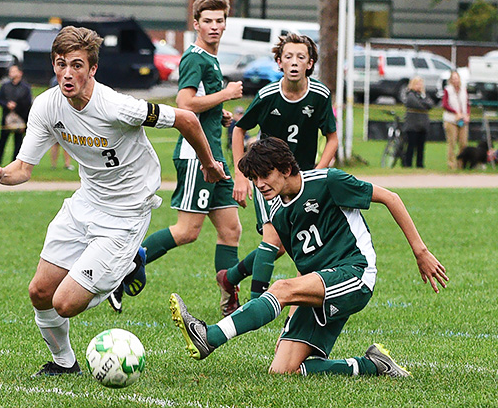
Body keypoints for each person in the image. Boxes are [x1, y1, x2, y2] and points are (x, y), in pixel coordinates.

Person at [0, 25, 227, 377]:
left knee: (64, 303)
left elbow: (185, 118)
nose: (68, 73)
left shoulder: (116, 105)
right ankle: (65, 364)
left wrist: (208, 164)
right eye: (61, 63)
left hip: (126, 213)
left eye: (77, 65)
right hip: (86, 202)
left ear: (92, 69)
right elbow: (22, 168)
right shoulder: (47, 107)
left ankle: (125, 266)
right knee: (40, 292)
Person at [170, 137, 448, 378]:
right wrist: (290, 311)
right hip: (320, 286)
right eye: (254, 178)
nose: (260, 184)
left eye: (265, 175)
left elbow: (391, 198)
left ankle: (210, 337)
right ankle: (371, 365)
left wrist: (420, 252)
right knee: (282, 371)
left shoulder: (328, 181)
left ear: (287, 169)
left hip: (355, 272)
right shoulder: (278, 211)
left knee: (280, 287)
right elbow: (294, 263)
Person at [127, 0, 243, 315]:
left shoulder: (211, 58)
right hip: (197, 156)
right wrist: (227, 93)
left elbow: (200, 104)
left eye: (219, 21)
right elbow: (184, 104)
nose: (215, 27)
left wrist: (219, 112)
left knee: (231, 229)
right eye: (208, 21)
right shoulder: (195, 58)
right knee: (187, 231)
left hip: (214, 153)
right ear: (196, 24)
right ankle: (128, 262)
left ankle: (229, 299)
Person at [218, 33, 338, 315]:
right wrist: (239, 174)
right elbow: (238, 129)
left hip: (300, 180)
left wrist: (317, 174)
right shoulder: (267, 95)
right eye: (288, 57)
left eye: (300, 57)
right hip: (267, 178)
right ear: (278, 62)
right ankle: (256, 305)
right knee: (272, 239)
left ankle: (229, 278)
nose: (294, 62)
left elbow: (332, 138)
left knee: (283, 245)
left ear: (310, 63)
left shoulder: (320, 95)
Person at [0, 64, 32, 166]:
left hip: (20, 119)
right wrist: (7, 104)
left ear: (20, 73)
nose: (11, 73)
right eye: (11, 71)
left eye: (14, 71)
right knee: (2, 142)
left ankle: (15, 165)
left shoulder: (25, 88)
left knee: (18, 144)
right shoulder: (5, 86)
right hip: (6, 119)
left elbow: (28, 103)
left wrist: (17, 106)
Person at [403, 76, 433, 168]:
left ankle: (419, 164)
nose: (419, 86)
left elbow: (431, 104)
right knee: (411, 146)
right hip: (412, 125)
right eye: (417, 84)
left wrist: (424, 104)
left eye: (420, 84)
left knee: (421, 147)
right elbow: (415, 104)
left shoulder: (424, 95)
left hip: (423, 125)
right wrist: (424, 105)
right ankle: (408, 164)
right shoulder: (410, 95)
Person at [442, 70, 470, 170]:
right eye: (453, 78)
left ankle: (461, 164)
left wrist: (467, 115)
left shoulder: (464, 89)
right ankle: (451, 165)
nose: (455, 80)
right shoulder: (447, 90)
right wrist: (455, 112)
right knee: (452, 143)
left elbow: (467, 104)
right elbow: (445, 104)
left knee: (463, 143)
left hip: (462, 120)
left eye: (456, 78)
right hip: (451, 120)